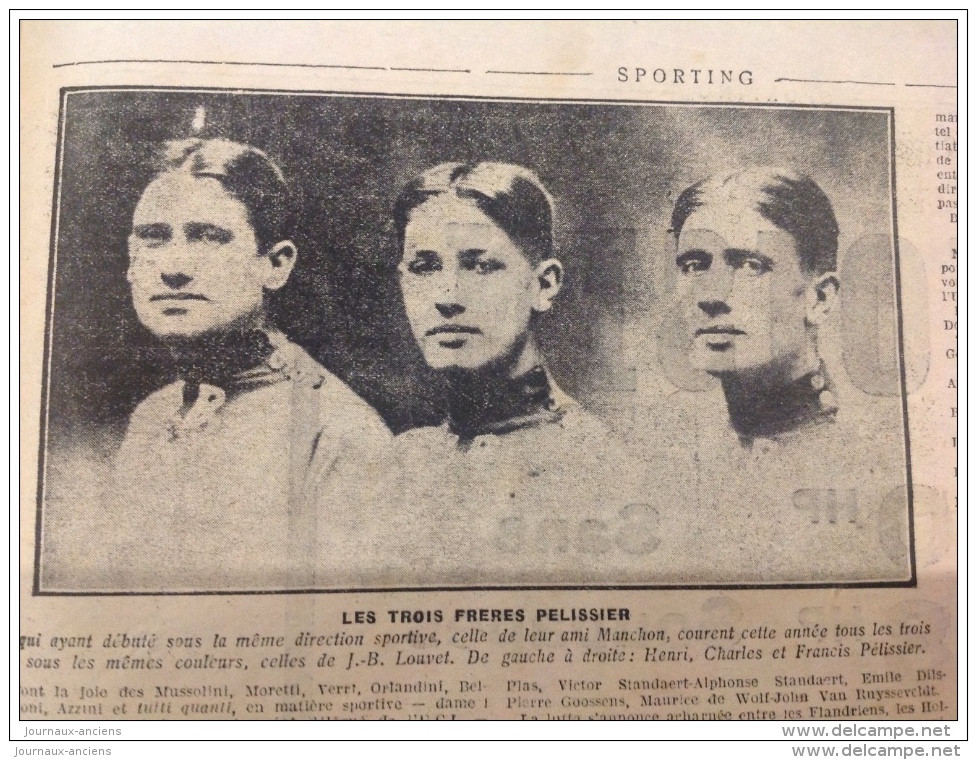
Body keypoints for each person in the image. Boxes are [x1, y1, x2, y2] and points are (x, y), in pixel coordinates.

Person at [94, 138, 391, 591]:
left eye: (209, 237)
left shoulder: (336, 433)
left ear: (274, 265)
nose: (173, 267)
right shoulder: (153, 415)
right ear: (131, 263)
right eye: (154, 239)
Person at [381, 162, 663, 585]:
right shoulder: (399, 462)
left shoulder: (597, 469)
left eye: (480, 265)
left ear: (544, 285)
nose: (447, 298)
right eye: (424, 267)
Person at [629, 167, 910, 582]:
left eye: (749, 265)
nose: (711, 296)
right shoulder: (664, 469)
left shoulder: (875, 470)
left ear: (819, 298)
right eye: (693, 265)